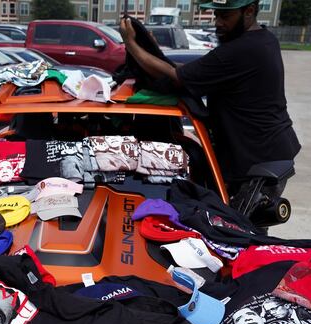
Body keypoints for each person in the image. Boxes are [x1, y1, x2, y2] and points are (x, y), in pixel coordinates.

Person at [119, 0, 301, 189]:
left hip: (256, 163)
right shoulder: (264, 40)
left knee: (232, 218)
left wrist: (131, 43)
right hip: (272, 150)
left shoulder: (239, 51)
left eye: (225, 16)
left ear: (249, 11)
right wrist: (153, 52)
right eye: (216, 15)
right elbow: (192, 71)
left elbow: (177, 77)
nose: (218, 22)